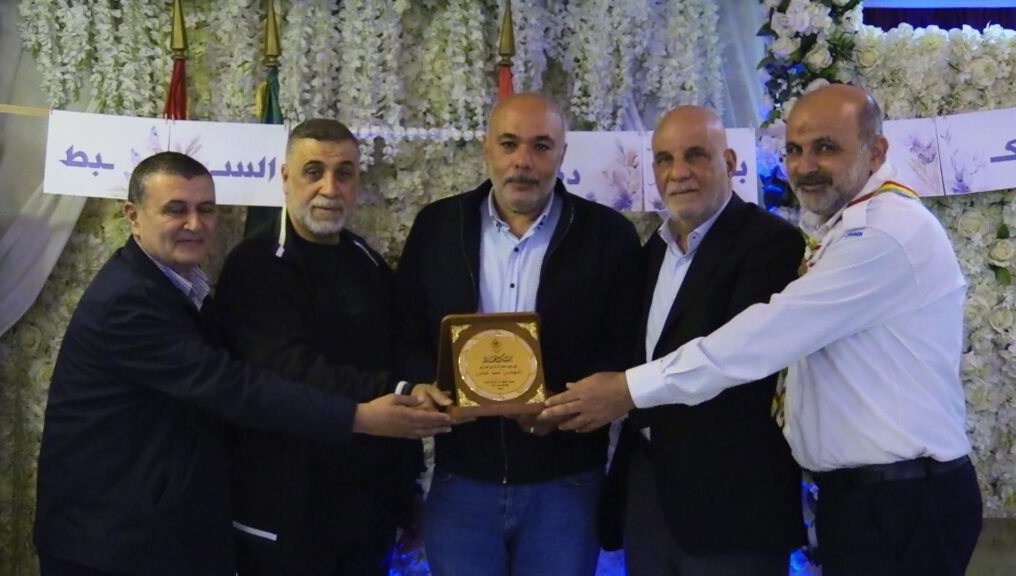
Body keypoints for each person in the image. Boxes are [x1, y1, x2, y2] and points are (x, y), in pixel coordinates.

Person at [542, 84, 982, 576]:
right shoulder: (840, 229)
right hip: (861, 498)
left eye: (826, 148)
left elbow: (757, 342)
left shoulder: (880, 234)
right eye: (794, 149)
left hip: (900, 499)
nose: (805, 165)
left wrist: (627, 389)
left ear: (876, 151)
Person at [33, 152, 451, 576]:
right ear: (133, 216)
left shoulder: (180, 286)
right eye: (176, 210)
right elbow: (232, 387)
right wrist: (360, 417)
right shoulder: (130, 300)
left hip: (153, 530)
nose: (195, 224)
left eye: (206, 209)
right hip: (110, 542)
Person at [394, 93, 643, 576]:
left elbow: (623, 348)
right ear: (486, 147)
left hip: (566, 485)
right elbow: (405, 330)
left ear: (563, 154)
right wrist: (425, 386)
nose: (523, 161)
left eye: (541, 146)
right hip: (462, 480)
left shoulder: (608, 235)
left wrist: (564, 411)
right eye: (509, 144)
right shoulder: (437, 227)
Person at [602, 106, 804, 575]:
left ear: (730, 162)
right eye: (665, 159)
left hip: (732, 506)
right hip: (649, 492)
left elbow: (736, 369)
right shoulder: (653, 250)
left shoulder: (771, 243)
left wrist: (619, 393)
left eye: (695, 155)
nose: (679, 173)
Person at [215, 119, 423, 576]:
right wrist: (399, 390)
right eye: (314, 172)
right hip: (284, 511)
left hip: (366, 513)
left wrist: (406, 492)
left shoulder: (366, 260)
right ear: (285, 177)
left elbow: (395, 355)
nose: (330, 188)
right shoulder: (254, 266)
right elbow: (289, 369)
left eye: (344, 173)